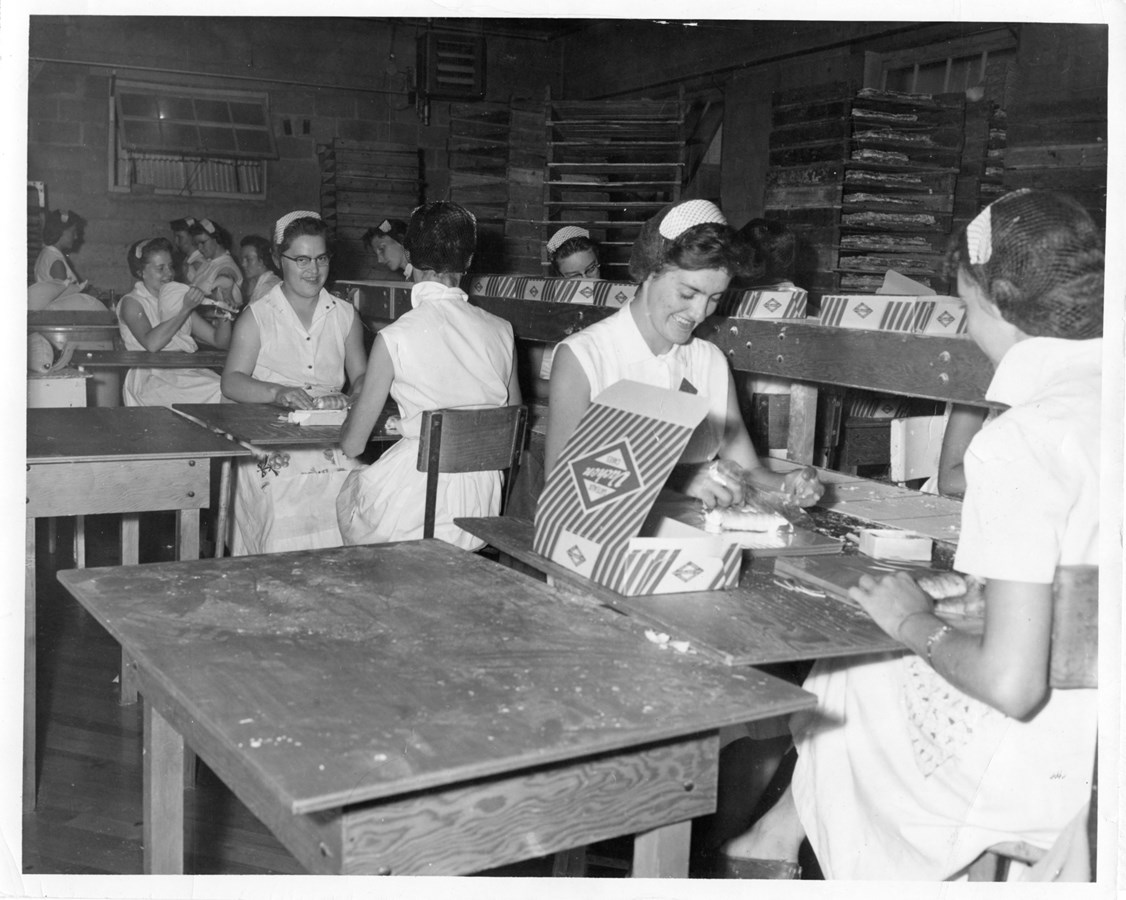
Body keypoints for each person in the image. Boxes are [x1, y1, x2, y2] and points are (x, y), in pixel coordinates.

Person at [726, 190, 1102, 881]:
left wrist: (914, 620)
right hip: (1106, 717)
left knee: (854, 667)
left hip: (1049, 760)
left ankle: (806, 849)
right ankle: (775, 837)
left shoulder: (1023, 438)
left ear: (996, 301)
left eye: (962, 307)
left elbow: (1013, 686)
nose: (965, 326)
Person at [544, 199, 824, 510]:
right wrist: (679, 480)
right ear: (651, 271)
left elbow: (747, 469)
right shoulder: (584, 357)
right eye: (688, 294)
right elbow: (561, 486)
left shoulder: (710, 361)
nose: (700, 313)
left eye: (714, 298)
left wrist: (786, 483)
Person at [337, 201, 521, 551]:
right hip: (481, 507)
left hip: (418, 508)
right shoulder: (502, 330)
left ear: (407, 254)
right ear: (468, 261)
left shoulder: (395, 336)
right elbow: (508, 424)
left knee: (347, 490)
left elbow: (352, 444)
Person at [221, 210, 367, 555]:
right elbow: (231, 381)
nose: (312, 270)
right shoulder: (258, 316)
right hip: (268, 431)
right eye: (301, 259)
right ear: (278, 259)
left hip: (328, 432)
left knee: (356, 485)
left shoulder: (344, 315)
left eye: (320, 259)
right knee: (283, 492)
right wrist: (278, 392)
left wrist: (347, 398)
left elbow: (361, 376)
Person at [117, 237, 232, 406]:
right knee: (219, 392)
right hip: (150, 377)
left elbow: (219, 341)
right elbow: (152, 344)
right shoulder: (132, 302)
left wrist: (225, 312)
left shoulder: (176, 299)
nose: (169, 274)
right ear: (140, 272)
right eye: (160, 268)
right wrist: (185, 309)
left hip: (183, 370)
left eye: (170, 266)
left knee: (230, 389)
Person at [30, 209, 103, 311]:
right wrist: (86, 294)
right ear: (60, 232)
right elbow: (63, 299)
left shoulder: (46, 254)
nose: (76, 236)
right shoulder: (56, 261)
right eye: (73, 232)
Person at [189, 217, 244, 309]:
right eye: (196, 244)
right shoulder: (208, 263)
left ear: (216, 239)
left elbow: (226, 278)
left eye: (203, 242)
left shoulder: (227, 265)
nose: (199, 247)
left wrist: (226, 294)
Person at [239, 234, 282, 304]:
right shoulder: (252, 283)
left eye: (248, 259)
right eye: (242, 259)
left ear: (262, 261)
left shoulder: (269, 288)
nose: (243, 264)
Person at [170, 216, 205, 284]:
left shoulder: (199, 264)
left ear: (192, 237)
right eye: (175, 237)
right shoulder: (187, 259)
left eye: (180, 237)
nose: (175, 241)